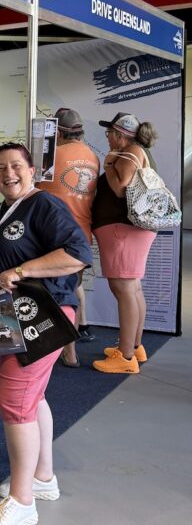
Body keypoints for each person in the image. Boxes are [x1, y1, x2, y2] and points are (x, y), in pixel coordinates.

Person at [0, 142, 91, 525]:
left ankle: (22, 502)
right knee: (32, 397)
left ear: (32, 169)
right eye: (1, 168)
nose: (9, 174)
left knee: (15, 401)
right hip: (1, 312)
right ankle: (42, 477)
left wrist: (22, 270)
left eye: (16, 166)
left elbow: (77, 253)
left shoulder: (44, 205)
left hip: (40, 312)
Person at [91, 113, 159, 375]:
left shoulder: (129, 151)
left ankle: (126, 356)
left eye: (110, 132)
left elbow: (120, 188)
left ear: (121, 135)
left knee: (124, 288)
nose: (107, 137)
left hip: (122, 229)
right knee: (132, 288)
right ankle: (134, 346)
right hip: (131, 230)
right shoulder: (138, 151)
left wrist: (108, 164)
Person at [36, 107, 100, 366]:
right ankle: (69, 352)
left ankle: (60, 350)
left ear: (58, 132)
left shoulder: (50, 156)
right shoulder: (92, 156)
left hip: (54, 234)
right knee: (71, 293)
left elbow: (34, 190)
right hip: (82, 234)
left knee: (50, 295)